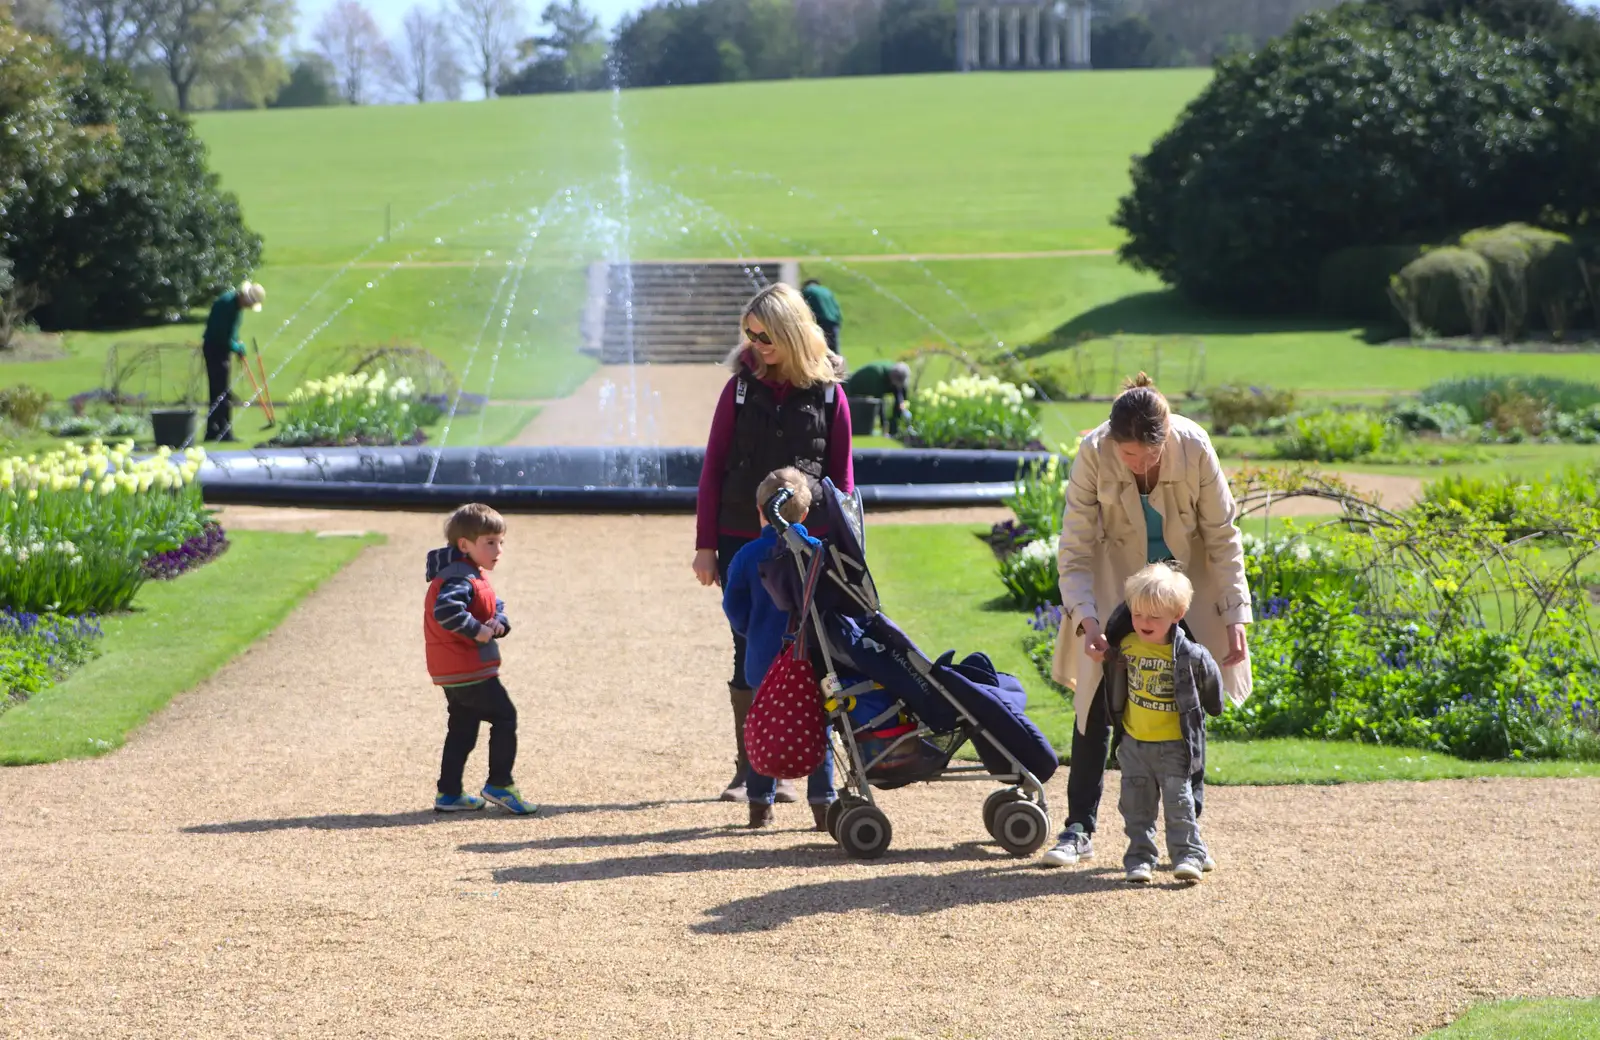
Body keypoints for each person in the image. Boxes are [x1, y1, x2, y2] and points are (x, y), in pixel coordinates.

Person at [1041, 373, 1251, 869]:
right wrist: (1087, 621)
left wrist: (1235, 614)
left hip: (1184, 588)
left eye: (1146, 456)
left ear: (1166, 436)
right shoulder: (1094, 450)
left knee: (1189, 705)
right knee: (1094, 700)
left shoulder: (1195, 447)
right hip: (1118, 585)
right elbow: (1073, 550)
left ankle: (1188, 836)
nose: (1136, 464)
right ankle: (1079, 829)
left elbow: (1223, 537)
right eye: (1127, 456)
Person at [693, 282, 854, 803]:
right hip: (744, 538)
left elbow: (842, 482)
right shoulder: (739, 390)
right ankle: (753, 767)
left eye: (764, 335)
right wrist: (704, 546)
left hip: (808, 548)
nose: (755, 344)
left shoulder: (829, 394)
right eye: (750, 334)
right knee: (750, 648)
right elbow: (713, 470)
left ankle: (805, 767)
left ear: (790, 332)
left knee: (812, 655)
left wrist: (844, 551)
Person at [722, 468, 838, 830]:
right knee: (821, 728)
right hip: (812, 659)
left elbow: (733, 605)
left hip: (763, 656)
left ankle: (760, 804)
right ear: (805, 514)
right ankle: (822, 803)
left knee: (763, 726)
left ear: (760, 510)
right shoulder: (817, 552)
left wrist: (750, 630)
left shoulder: (747, 555)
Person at [1102, 563, 1224, 884]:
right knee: (1135, 806)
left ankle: (1188, 856)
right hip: (1134, 743)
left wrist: (1214, 706)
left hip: (1174, 745)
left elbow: (1211, 682)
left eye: (1155, 616)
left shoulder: (1191, 655)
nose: (1145, 622)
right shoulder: (1125, 647)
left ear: (1177, 614)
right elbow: (1112, 681)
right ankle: (1140, 858)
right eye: (1138, 614)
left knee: (1179, 803)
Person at [423, 503, 537, 815]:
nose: (498, 549)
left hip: (454, 670)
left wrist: (499, 621)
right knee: (504, 717)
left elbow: (492, 603)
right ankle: (499, 783)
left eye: (501, 542)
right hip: (467, 667)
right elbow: (446, 611)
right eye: (489, 542)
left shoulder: (469, 573)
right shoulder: (459, 576)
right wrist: (477, 630)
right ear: (464, 545)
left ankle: (449, 793)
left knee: (462, 727)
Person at [200, 281, 265, 443]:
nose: (249, 307)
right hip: (215, 349)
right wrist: (235, 346)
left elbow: (232, 331)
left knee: (220, 391)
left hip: (221, 348)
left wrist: (238, 343)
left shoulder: (236, 306)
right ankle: (221, 432)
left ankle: (216, 431)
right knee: (221, 392)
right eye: (250, 304)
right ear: (245, 297)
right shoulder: (226, 305)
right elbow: (222, 336)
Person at [842, 360, 911, 436]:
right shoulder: (878, 376)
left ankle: (894, 430)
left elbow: (900, 395)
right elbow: (879, 403)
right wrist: (884, 426)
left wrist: (902, 410)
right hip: (853, 389)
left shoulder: (897, 373)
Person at [800, 279, 843, 355]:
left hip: (820, 319)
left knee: (821, 345)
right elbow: (836, 306)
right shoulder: (826, 291)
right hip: (833, 320)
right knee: (834, 347)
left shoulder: (807, 290)